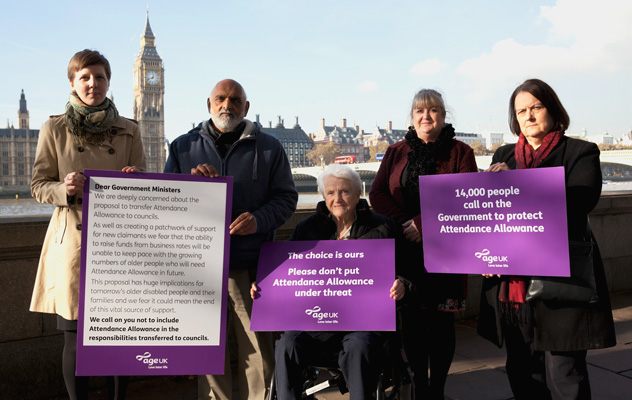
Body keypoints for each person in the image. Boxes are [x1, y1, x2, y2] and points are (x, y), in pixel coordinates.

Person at [477, 78, 616, 400]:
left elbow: (578, 204)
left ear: (552, 109)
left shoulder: (580, 152)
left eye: (535, 107)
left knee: (565, 372)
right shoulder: (504, 155)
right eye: (521, 110)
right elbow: (491, 216)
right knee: (522, 368)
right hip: (514, 286)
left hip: (562, 281)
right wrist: (484, 255)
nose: (528, 116)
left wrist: (517, 184)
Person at [164, 79, 298, 400]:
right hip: (199, 267)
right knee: (208, 352)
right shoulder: (182, 147)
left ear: (246, 107)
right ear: (209, 105)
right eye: (221, 99)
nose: (228, 105)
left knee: (258, 350)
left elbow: (286, 198)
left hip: (249, 265)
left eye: (236, 100)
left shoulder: (269, 147)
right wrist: (193, 188)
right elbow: (167, 201)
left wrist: (258, 220)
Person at [29, 49, 146, 400]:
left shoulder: (130, 130)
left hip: (119, 243)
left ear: (109, 82)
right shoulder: (54, 128)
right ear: (73, 82)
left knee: (118, 338)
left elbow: (147, 184)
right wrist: (63, 188)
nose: (93, 83)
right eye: (85, 77)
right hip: (75, 244)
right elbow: (37, 186)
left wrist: (138, 179)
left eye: (99, 77)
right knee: (76, 339)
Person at [262, 164, 407, 400]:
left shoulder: (383, 227)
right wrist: (264, 287)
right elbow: (284, 272)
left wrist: (401, 283)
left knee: (359, 345)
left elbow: (407, 270)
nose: (337, 198)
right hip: (316, 323)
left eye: (344, 192)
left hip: (362, 325)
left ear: (358, 193)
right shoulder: (307, 228)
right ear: (323, 196)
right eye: (330, 193)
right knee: (287, 343)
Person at [369, 89, 478, 399]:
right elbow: (377, 194)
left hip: (446, 249)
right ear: (412, 117)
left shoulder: (460, 152)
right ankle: (419, 384)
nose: (426, 116)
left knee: (442, 325)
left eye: (433, 111)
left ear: (443, 117)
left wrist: (424, 224)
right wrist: (406, 224)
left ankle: (438, 388)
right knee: (413, 322)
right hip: (406, 250)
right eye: (419, 111)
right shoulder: (395, 151)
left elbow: (466, 198)